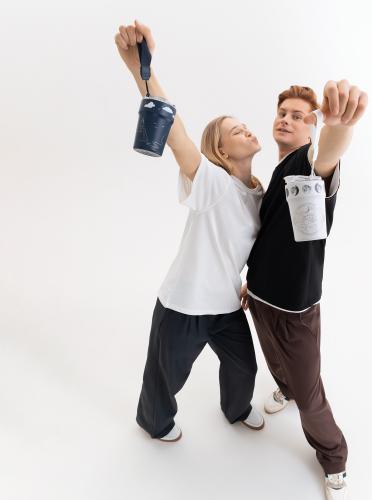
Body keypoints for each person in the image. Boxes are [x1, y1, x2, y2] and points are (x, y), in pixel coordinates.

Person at [114, 20, 265, 442]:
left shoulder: (257, 192)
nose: (246, 129)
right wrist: (141, 71)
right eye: (235, 131)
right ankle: (154, 423)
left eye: (245, 125)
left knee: (244, 367)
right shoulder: (213, 182)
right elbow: (176, 133)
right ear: (220, 150)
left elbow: (254, 248)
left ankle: (236, 409)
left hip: (225, 303)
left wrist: (251, 284)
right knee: (165, 377)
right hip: (184, 304)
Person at [241, 82, 368, 499]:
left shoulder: (307, 163)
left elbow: (327, 154)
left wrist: (338, 125)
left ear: (312, 128)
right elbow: (268, 237)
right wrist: (252, 282)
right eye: (282, 113)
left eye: (298, 116)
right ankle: (286, 387)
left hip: (297, 310)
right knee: (276, 364)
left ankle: (334, 460)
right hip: (259, 299)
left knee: (311, 400)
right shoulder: (275, 171)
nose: (286, 119)